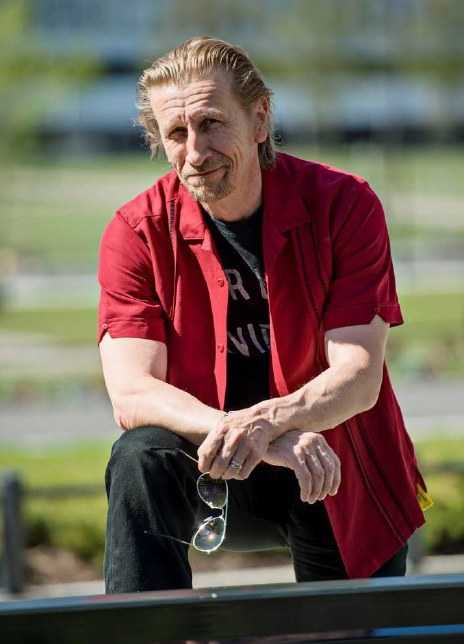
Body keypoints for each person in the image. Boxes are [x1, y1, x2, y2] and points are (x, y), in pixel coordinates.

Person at [97, 36, 431, 594]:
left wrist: (271, 423)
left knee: (346, 628)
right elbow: (132, 393)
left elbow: (358, 376)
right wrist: (252, 433)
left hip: (328, 462)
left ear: (259, 119)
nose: (195, 151)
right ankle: (144, 628)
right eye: (176, 133)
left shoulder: (345, 205)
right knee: (139, 456)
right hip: (211, 461)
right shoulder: (136, 231)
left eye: (211, 124)